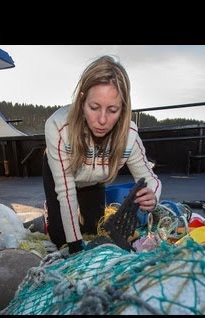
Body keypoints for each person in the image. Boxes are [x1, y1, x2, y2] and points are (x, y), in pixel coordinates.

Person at [43, 55, 162, 254]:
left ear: (123, 108)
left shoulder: (129, 136)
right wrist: (74, 248)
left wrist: (153, 196)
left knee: (92, 229)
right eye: (94, 107)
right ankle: (51, 213)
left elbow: (151, 179)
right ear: (82, 100)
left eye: (113, 110)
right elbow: (66, 192)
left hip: (94, 180)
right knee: (60, 237)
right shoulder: (57, 126)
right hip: (62, 178)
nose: (102, 120)